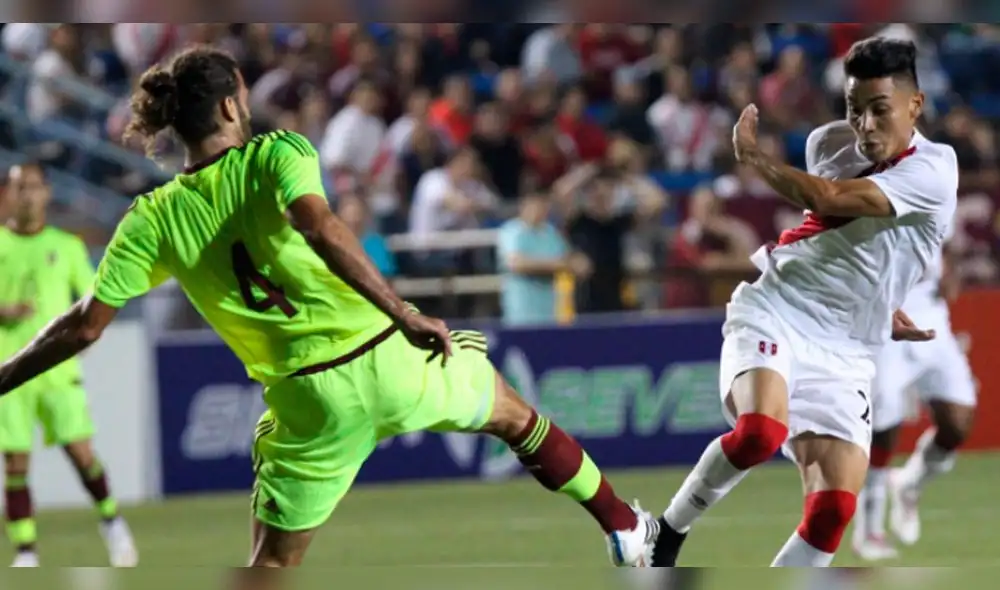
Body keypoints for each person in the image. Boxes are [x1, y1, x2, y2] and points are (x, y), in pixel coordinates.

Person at [0, 45, 658, 568]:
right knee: (516, 416)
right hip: (392, 357)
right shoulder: (276, 154)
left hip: (310, 403)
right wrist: (403, 311)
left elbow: (85, 324)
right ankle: (625, 528)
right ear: (230, 107)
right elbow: (317, 225)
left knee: (272, 563)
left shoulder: (152, 219)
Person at [650, 37, 957, 567]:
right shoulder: (828, 144)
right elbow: (830, 229)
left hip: (850, 347)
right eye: (853, 109)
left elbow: (832, 200)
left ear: (915, 105)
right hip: (780, 307)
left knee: (833, 510)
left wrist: (754, 159)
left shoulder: (936, 169)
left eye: (879, 110)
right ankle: (663, 535)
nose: (864, 125)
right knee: (757, 433)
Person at [0, 163, 138, 568]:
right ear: (7, 194)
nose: (26, 195)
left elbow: (95, 298)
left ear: (46, 193)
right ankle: (26, 553)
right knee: (15, 464)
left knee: (81, 454)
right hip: (9, 373)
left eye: (33, 187)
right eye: (18, 187)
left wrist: (90, 334)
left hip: (57, 372)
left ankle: (112, 522)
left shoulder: (69, 246)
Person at [852, 233, 976, 561]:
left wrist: (952, 273)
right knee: (883, 420)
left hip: (932, 314)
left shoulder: (938, 184)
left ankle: (909, 484)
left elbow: (948, 242)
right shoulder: (870, 190)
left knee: (958, 423)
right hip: (887, 313)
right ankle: (870, 530)